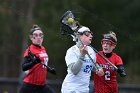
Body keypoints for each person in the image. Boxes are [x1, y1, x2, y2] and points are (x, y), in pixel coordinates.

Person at [61, 26, 104, 93]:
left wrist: (98, 68)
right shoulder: (72, 51)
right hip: (71, 89)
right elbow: (74, 70)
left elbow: (92, 64)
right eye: (87, 34)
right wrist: (82, 55)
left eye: (91, 34)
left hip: (84, 89)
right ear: (79, 36)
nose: (91, 36)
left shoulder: (91, 50)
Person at [19, 24, 56, 93]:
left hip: (42, 85)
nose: (39, 37)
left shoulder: (43, 48)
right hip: (30, 86)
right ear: (31, 37)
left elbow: (41, 64)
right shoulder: (30, 50)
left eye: (40, 35)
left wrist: (49, 69)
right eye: (35, 35)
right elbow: (24, 67)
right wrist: (34, 62)